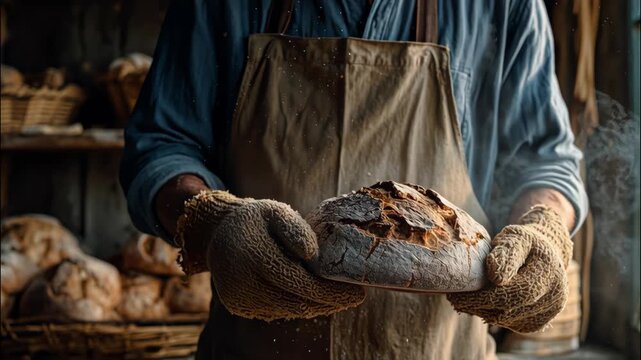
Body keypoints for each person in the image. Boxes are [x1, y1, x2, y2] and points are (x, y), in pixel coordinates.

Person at [120, 0, 588, 359]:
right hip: (256, 347)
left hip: (443, 349)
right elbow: (161, 144)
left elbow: (545, 158)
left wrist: (545, 224)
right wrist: (210, 221)